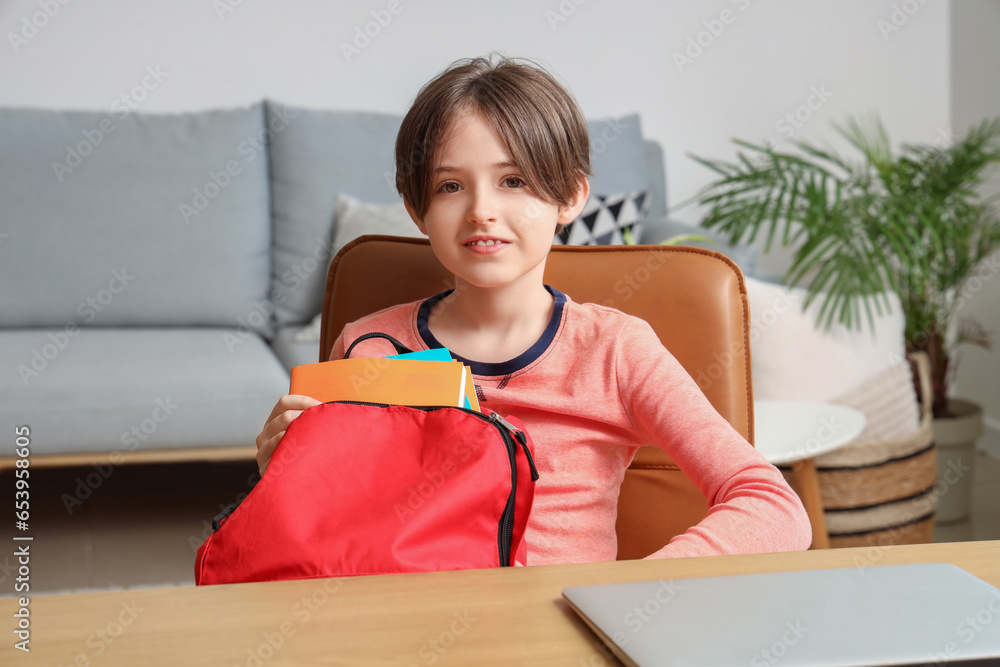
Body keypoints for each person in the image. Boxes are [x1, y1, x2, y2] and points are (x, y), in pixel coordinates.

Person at [256, 54, 811, 564]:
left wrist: (637, 589)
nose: (482, 211)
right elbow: (338, 537)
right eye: (450, 185)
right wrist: (283, 474)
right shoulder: (367, 344)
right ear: (415, 208)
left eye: (513, 181)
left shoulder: (615, 349)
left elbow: (773, 506)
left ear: (570, 196)